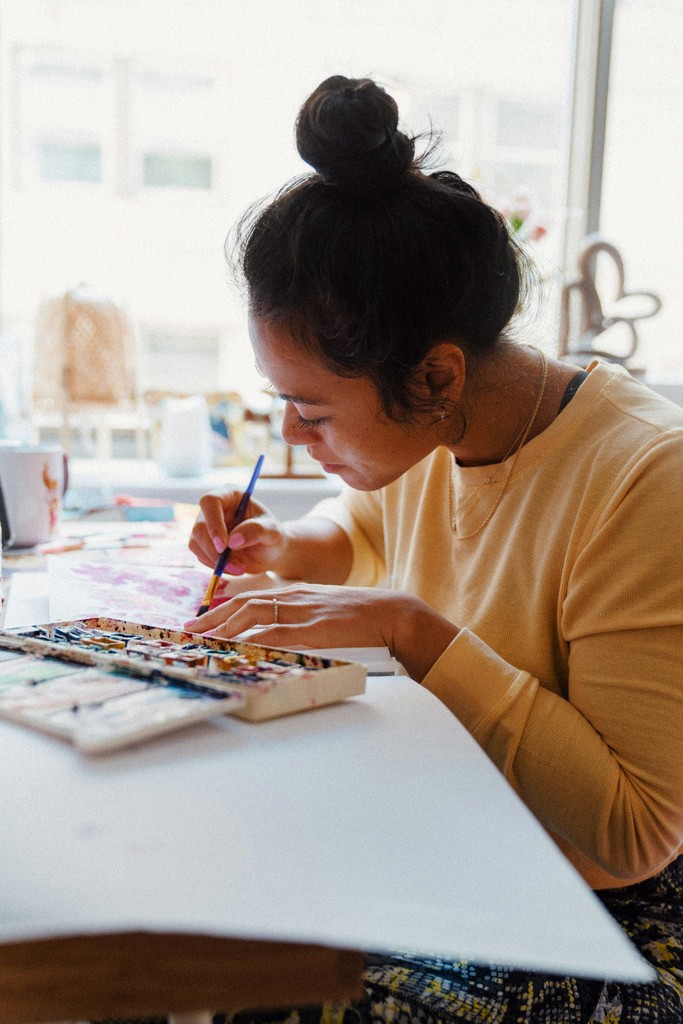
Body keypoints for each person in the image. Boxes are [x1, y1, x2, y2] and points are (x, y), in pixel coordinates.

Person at [183, 75, 683, 1023]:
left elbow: (632, 836)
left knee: (255, 984)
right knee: (194, 912)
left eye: (312, 407)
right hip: (461, 838)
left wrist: (415, 631)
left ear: (436, 373)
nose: (292, 433)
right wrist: (280, 547)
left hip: (621, 920)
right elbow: (361, 536)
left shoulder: (647, 480)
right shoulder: (428, 435)